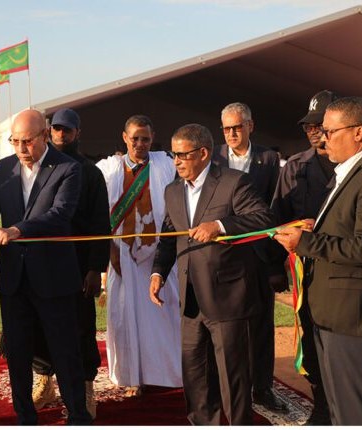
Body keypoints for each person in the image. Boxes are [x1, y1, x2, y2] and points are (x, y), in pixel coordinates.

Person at [0, 109, 92, 425]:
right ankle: (25, 418)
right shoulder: (3, 170)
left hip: (55, 280)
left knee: (65, 353)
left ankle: (79, 417)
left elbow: (60, 215)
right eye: (15, 141)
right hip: (14, 282)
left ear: (44, 135)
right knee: (17, 356)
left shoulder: (69, 169)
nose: (21, 149)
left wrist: (17, 230)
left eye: (28, 141)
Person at [273, 97, 362, 425]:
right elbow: (348, 230)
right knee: (339, 410)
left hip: (355, 317)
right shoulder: (352, 172)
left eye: (330, 131)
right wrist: (314, 228)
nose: (323, 138)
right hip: (336, 312)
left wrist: (308, 241)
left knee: (355, 414)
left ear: (359, 132)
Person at [150, 123, 275, 425]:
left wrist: (220, 226)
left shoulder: (234, 182)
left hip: (228, 299)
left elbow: (263, 218)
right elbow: (170, 236)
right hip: (191, 300)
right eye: (173, 156)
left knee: (233, 377)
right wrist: (158, 273)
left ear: (203, 153)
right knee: (195, 375)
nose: (176, 162)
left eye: (182, 155)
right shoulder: (172, 191)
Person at [29, 108, 110, 419]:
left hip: (77, 266)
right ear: (49, 131)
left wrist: (95, 269)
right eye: (57, 129)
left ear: (78, 133)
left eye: (68, 130)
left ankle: (86, 387)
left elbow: (101, 223)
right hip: (41, 262)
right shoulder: (39, 166)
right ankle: (45, 382)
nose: (62, 135)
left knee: (80, 328)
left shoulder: (90, 173)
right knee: (38, 326)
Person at [96, 114, 182, 395]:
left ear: (152, 138)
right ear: (124, 137)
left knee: (162, 315)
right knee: (125, 317)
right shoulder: (109, 170)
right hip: (121, 254)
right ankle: (133, 376)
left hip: (159, 255)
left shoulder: (166, 165)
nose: (140, 144)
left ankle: (165, 374)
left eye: (145, 139)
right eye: (135, 138)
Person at [269, 90, 338, 425]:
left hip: (343, 272)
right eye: (308, 125)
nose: (311, 130)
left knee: (343, 347)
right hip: (306, 273)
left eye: (318, 123)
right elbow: (276, 218)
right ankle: (322, 405)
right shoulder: (295, 167)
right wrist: (276, 267)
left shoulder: (352, 167)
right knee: (311, 341)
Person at [212, 102, 284, 411]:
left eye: (237, 127)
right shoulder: (212, 157)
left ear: (250, 126)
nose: (231, 134)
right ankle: (225, 385)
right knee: (222, 324)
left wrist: (274, 262)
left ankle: (262, 387)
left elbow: (275, 210)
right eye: (226, 128)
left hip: (258, 254)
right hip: (221, 255)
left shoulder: (269, 159)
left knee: (261, 325)